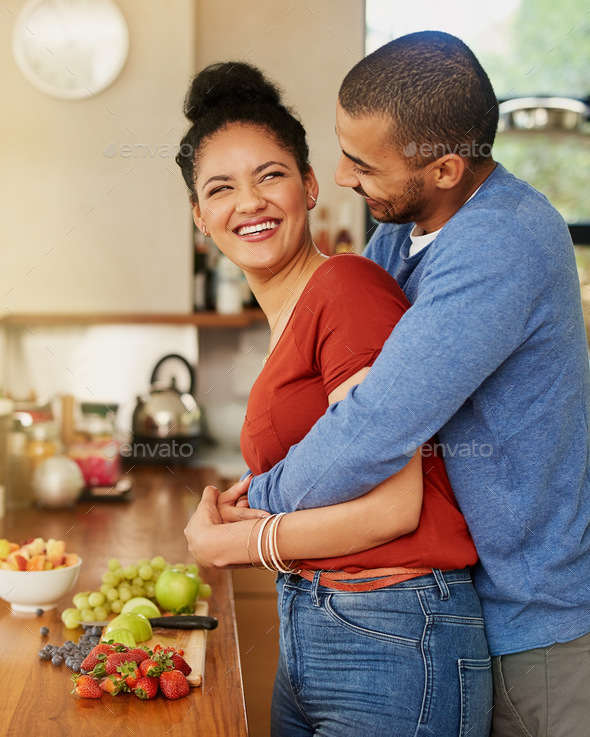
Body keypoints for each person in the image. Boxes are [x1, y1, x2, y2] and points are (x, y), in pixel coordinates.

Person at [218, 31, 590, 737]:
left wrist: (257, 515)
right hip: (470, 606)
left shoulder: (501, 243)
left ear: (446, 167)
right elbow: (342, 380)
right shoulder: (402, 233)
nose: (344, 175)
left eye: (363, 163)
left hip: (537, 630)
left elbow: (372, 425)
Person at [178, 61, 492, 736]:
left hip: (393, 629)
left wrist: (239, 543)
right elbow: (327, 467)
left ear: (311, 185)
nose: (250, 202)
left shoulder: (347, 288)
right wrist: (251, 498)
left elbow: (393, 502)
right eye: (221, 188)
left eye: (271, 175)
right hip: (324, 624)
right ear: (201, 217)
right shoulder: (290, 318)